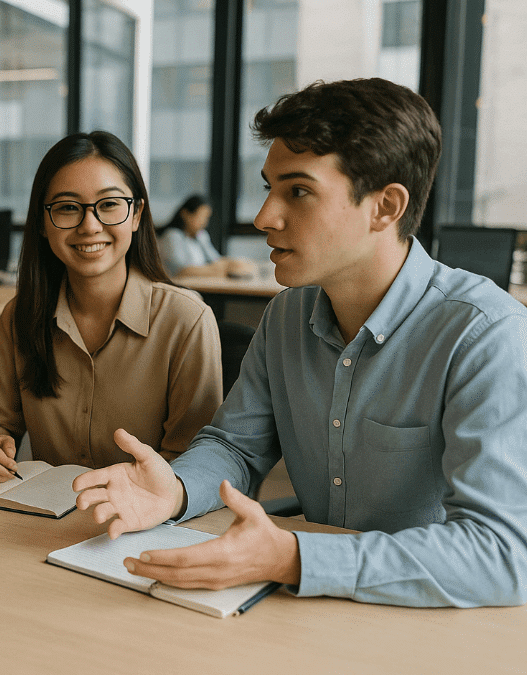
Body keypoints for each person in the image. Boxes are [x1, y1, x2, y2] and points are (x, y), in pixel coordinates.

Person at [73, 78, 527, 608]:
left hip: (431, 621)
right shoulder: (287, 315)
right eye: (269, 188)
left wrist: (293, 558)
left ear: (385, 207)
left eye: (299, 191)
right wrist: (175, 490)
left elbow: (502, 553)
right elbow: (234, 446)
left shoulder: (486, 335)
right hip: (310, 606)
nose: (265, 217)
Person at [0, 132, 223, 483]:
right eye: (68, 207)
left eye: (109, 204)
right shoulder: (21, 315)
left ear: (136, 214)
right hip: (45, 520)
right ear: (42, 222)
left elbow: (193, 464)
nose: (90, 226)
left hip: (148, 526)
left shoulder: (186, 321)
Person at [157, 194, 255, 279]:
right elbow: (180, 271)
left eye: (206, 218)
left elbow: (215, 260)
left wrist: (234, 263)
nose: (204, 222)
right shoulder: (172, 236)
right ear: (185, 214)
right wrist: (221, 269)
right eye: (200, 217)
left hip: (201, 284)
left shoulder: (200, 235)